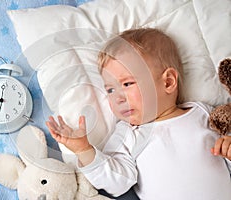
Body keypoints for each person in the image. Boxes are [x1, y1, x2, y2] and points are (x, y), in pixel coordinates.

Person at [46, 28, 231, 199]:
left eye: (127, 84)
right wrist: (83, 150)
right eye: (110, 90)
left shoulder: (202, 113)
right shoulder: (128, 134)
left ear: (167, 82)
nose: (117, 97)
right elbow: (116, 182)